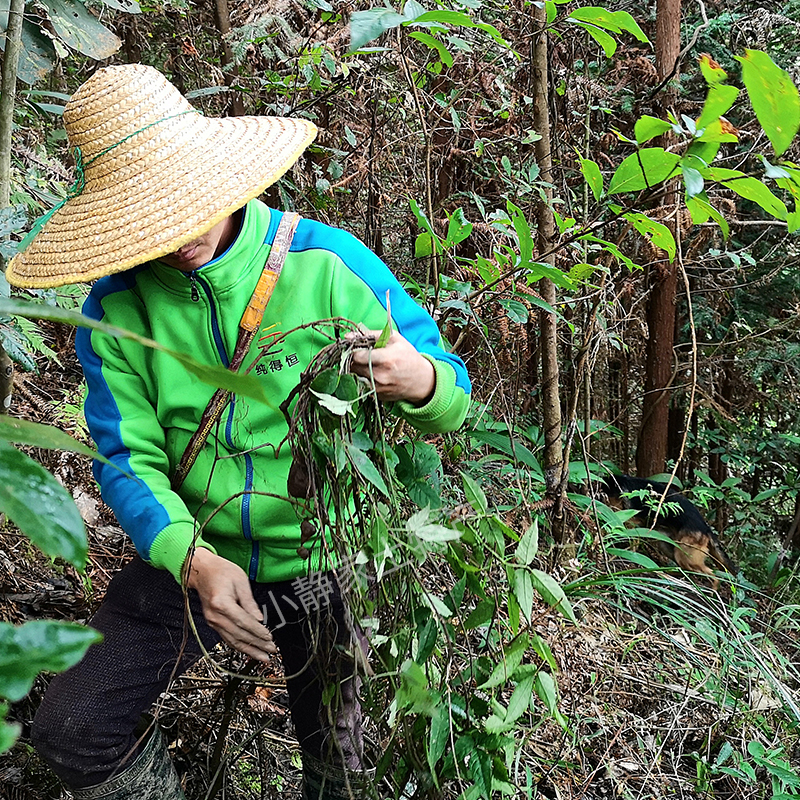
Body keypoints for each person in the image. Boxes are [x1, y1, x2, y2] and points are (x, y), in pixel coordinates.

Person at [6, 64, 471, 800]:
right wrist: (192, 559)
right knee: (74, 727)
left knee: (345, 762)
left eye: (185, 202)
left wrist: (421, 381)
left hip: (325, 556)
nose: (176, 234)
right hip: (199, 555)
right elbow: (127, 460)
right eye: (144, 217)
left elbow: (451, 397)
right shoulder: (115, 309)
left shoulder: (328, 264)